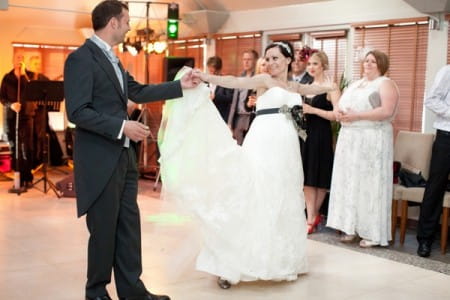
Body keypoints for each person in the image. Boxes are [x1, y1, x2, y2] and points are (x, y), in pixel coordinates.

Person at [159, 41, 332, 289]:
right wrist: (205, 76)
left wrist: (306, 139)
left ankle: (281, 260)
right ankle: (233, 262)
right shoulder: (263, 80)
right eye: (268, 58)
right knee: (255, 195)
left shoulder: (294, 86)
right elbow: (234, 81)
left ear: (288, 60)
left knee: (281, 198)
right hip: (263, 141)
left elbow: (298, 118)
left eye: (275, 58)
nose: (271, 63)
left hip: (287, 147)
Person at [63, 1, 198, 300]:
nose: (128, 27)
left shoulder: (114, 59)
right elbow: (77, 111)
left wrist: (180, 86)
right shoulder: (80, 59)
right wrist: (122, 127)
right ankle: (96, 292)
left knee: (128, 227)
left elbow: (137, 91)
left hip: (124, 157)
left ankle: (132, 290)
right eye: (126, 21)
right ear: (112, 22)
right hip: (100, 159)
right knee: (103, 230)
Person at [326, 50, 399, 248]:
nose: (367, 64)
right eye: (366, 60)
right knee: (350, 182)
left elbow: (386, 111)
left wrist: (357, 116)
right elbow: (341, 105)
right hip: (350, 139)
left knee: (369, 183)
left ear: (381, 64)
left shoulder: (385, 83)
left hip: (371, 139)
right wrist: (341, 113)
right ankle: (351, 226)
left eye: (373, 61)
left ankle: (373, 232)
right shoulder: (356, 84)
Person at [301, 51, 340, 234]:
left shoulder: (331, 87)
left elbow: (337, 115)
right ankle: (311, 216)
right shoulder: (305, 86)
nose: (311, 67)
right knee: (307, 178)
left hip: (322, 134)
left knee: (320, 178)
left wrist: (312, 110)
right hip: (305, 134)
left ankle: (313, 216)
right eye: (309, 64)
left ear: (323, 65)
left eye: (315, 64)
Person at [416, 64, 450, 258]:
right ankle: (425, 240)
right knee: (435, 189)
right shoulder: (447, 71)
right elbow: (431, 99)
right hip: (447, 137)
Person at [0, 51, 35, 189]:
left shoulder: (30, 76)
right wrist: (11, 105)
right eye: (17, 58)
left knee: (27, 147)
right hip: (12, 116)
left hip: (27, 116)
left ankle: (28, 177)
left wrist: (24, 75)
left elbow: (33, 91)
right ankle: (18, 177)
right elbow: (2, 98)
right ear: (13, 60)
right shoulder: (7, 78)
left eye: (22, 58)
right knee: (15, 147)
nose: (20, 60)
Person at [227, 49, 258, 145]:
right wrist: (230, 122)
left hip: (252, 117)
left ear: (255, 61)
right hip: (239, 118)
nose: (246, 62)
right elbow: (234, 102)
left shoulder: (258, 78)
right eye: (244, 59)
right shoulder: (239, 77)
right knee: (238, 147)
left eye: (249, 59)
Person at [27, 55, 50, 168]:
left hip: (41, 112)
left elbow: (51, 94)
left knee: (40, 136)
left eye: (39, 64)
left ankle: (40, 160)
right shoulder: (26, 77)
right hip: (28, 113)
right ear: (30, 65)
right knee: (30, 137)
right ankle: (31, 162)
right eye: (35, 64)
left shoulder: (44, 79)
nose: (37, 66)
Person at [206, 56, 234, 122]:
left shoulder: (226, 81)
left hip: (221, 118)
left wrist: (215, 96)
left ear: (219, 70)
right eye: (210, 71)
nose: (212, 74)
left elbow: (230, 98)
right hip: (207, 117)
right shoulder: (204, 82)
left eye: (214, 72)